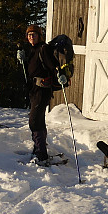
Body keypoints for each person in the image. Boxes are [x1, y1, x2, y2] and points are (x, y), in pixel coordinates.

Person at [18, 24, 68, 164]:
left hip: (42, 90)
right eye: (29, 35)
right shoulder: (32, 50)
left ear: (39, 36)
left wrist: (60, 73)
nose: (31, 37)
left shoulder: (43, 49)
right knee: (38, 120)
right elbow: (31, 69)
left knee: (34, 121)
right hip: (34, 90)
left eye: (34, 34)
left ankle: (41, 154)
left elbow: (53, 65)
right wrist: (22, 60)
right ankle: (39, 150)